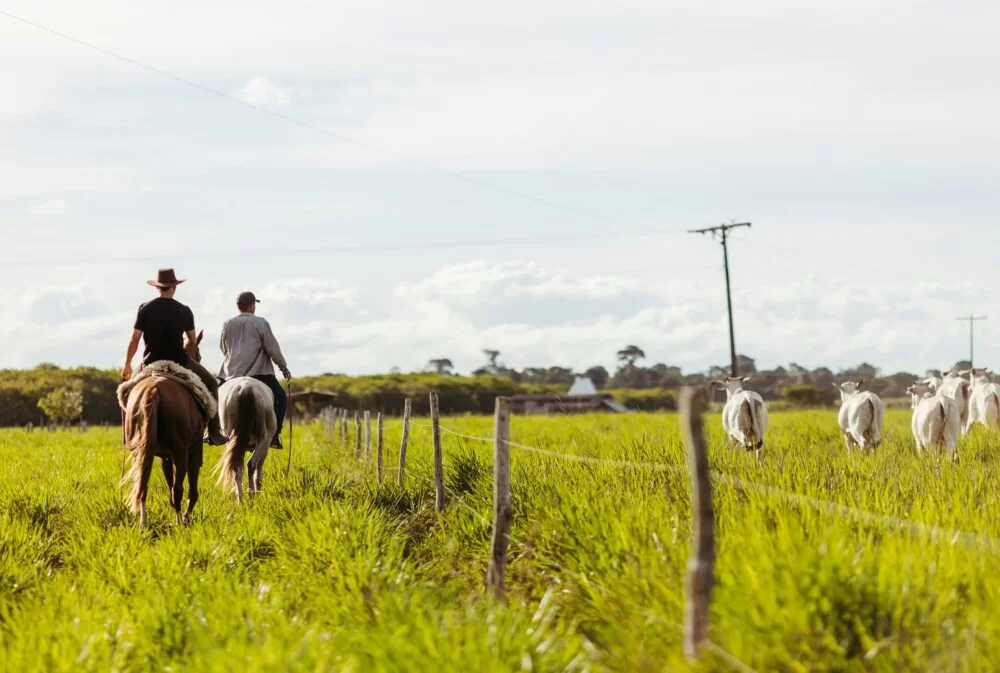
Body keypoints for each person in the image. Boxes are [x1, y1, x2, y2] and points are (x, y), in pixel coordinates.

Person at [121, 268, 229, 445]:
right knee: (211, 383)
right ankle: (215, 432)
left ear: (157, 287)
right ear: (174, 287)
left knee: (127, 391)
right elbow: (192, 341)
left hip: (150, 363)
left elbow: (134, 339)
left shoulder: (144, 308)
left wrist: (127, 364)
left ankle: (129, 434)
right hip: (178, 362)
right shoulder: (184, 310)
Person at [218, 291, 291, 448]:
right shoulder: (260, 322)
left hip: (231, 373)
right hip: (259, 373)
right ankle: (274, 435)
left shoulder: (227, 324)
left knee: (212, 397)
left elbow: (223, 348)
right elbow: (272, 348)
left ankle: (211, 431)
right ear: (252, 305)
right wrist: (283, 367)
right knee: (281, 398)